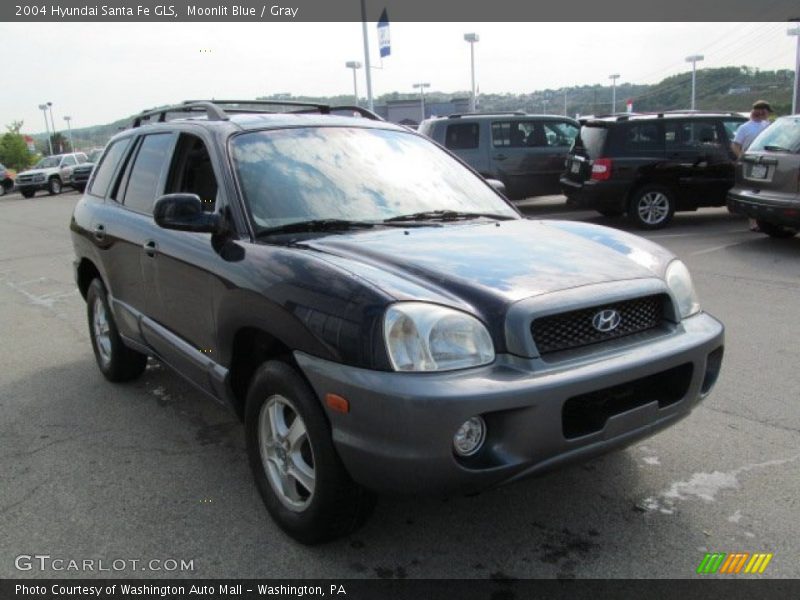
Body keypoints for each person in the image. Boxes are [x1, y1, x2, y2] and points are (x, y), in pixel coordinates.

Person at [731, 100, 773, 231]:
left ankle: (765, 219)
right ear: (760, 111)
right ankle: (753, 222)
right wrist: (742, 158)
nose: (767, 114)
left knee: (766, 191)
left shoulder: (768, 125)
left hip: (767, 161)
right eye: (766, 111)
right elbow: (735, 145)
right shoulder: (745, 127)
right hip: (752, 162)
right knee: (753, 191)